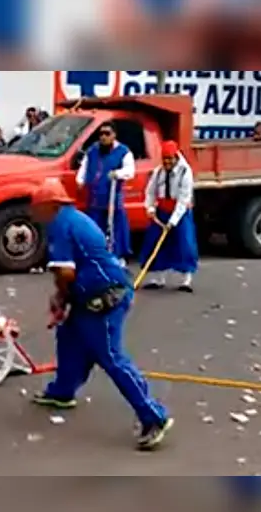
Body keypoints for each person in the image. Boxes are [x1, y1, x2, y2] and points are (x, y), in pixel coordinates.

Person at [29, 178, 174, 451]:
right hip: (93, 292)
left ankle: (154, 416)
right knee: (70, 337)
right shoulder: (73, 218)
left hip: (104, 296)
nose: (34, 214)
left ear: (50, 205)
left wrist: (60, 297)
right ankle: (63, 391)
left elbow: (65, 272)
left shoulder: (61, 225)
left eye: (37, 208)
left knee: (110, 357)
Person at [140, 140, 199, 292]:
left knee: (184, 243)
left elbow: (183, 199)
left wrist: (172, 222)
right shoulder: (159, 171)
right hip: (162, 211)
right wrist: (150, 208)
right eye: (164, 159)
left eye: (169, 159)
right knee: (155, 243)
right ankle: (158, 277)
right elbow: (150, 192)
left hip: (180, 212)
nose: (167, 162)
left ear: (175, 158)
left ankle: (186, 279)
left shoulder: (185, 172)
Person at [76, 121, 134, 266]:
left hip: (112, 199)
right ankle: (96, 257)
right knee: (95, 229)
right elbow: (84, 168)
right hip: (95, 199)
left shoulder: (123, 152)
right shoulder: (92, 151)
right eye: (101, 134)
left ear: (114, 135)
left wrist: (117, 173)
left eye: (107, 134)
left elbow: (130, 171)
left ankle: (118, 257)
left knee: (115, 229)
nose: (103, 137)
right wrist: (80, 180)